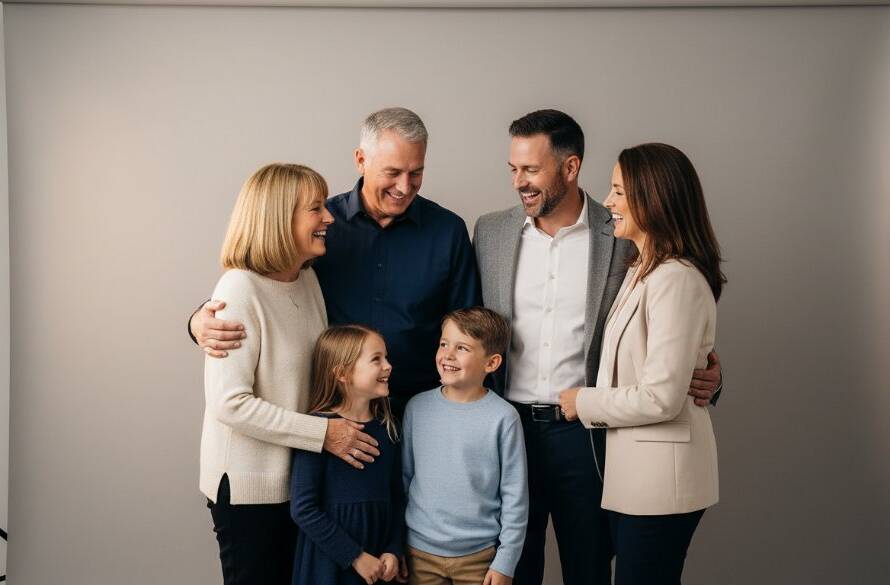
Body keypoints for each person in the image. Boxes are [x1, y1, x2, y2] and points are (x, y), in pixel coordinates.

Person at [472, 110, 723, 585]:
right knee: (510, 568)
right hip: (508, 429)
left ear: (570, 167)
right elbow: (469, 329)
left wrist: (709, 373)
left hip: (588, 436)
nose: (518, 182)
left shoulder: (624, 232)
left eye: (531, 170)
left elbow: (670, 334)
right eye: (513, 169)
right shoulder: (490, 232)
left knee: (588, 567)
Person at [189, 107, 481, 419]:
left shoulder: (448, 231)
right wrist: (199, 321)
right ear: (361, 160)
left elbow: (469, 325)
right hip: (331, 412)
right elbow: (265, 284)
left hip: (422, 410)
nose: (405, 187)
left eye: (416, 173)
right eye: (393, 173)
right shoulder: (318, 225)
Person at [558, 143, 724, 585]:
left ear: (653, 200)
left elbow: (662, 398)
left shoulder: (675, 279)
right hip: (635, 477)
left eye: (617, 192)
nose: (607, 203)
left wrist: (583, 402)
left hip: (661, 484)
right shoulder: (642, 269)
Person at [201, 163, 339, 585]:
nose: (328, 218)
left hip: (297, 485)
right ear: (280, 218)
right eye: (315, 209)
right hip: (249, 490)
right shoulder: (239, 290)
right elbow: (230, 403)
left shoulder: (307, 281)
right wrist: (325, 436)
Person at [402, 307, 528, 585]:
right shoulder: (417, 408)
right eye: (444, 344)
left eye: (462, 348)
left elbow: (515, 497)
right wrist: (398, 543)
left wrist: (506, 561)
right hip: (419, 554)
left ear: (491, 363)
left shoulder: (504, 418)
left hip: (479, 558)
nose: (447, 355)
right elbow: (405, 480)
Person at [290, 325, 406, 585]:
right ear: (342, 373)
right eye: (376, 359)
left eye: (386, 358)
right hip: (329, 563)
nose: (388, 366)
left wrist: (393, 549)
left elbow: (398, 496)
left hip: (380, 560)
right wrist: (355, 556)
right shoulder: (319, 429)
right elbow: (303, 508)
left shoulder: (389, 428)